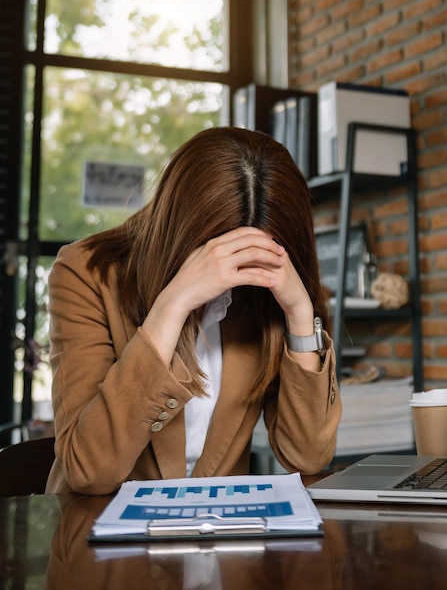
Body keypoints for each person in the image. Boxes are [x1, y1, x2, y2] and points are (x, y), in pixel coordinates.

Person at [45, 126, 341, 495]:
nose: (236, 271)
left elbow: (308, 456)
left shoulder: (263, 293)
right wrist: (175, 301)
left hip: (221, 535)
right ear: (178, 225)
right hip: (97, 532)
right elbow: (89, 471)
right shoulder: (85, 272)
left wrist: (299, 311)